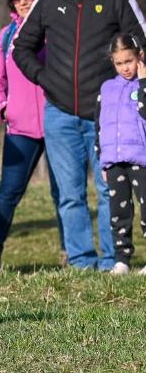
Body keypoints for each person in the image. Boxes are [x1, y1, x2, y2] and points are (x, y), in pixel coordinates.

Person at [12, 0, 146, 270]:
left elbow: (141, 45)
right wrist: (43, 78)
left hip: (108, 117)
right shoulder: (48, 0)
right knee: (70, 195)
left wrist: (128, 90)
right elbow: (21, 48)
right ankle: (81, 261)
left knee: (108, 191)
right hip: (59, 113)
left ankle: (113, 261)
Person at [0, 0, 65, 273]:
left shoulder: (58, 30)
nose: (23, 2)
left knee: (64, 194)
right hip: (20, 128)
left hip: (60, 122)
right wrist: (3, 109)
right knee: (8, 192)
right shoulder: (6, 36)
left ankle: (73, 255)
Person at [95, 34, 146, 275]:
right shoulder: (107, 88)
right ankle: (122, 259)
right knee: (119, 213)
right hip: (114, 161)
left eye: (129, 61)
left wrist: (144, 82)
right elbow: (99, 125)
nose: (126, 68)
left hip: (141, 159)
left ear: (140, 57)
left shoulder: (144, 85)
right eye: (119, 63)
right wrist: (102, 161)